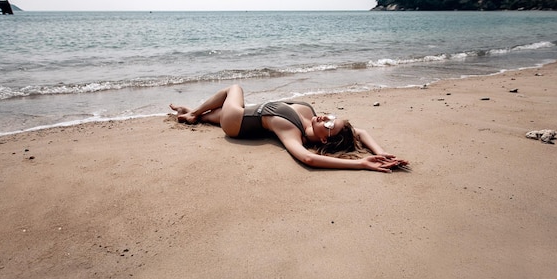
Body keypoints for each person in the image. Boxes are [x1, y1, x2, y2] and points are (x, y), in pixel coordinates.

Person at [170, 84, 409, 173]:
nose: (325, 117)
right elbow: (362, 133)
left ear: (324, 140)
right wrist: (381, 152)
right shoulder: (312, 120)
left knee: (234, 88)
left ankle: (192, 114)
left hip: (238, 121)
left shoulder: (291, 131)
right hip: (252, 112)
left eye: (328, 125)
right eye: (332, 117)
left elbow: (309, 159)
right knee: (209, 115)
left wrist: (362, 164)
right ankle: (192, 113)